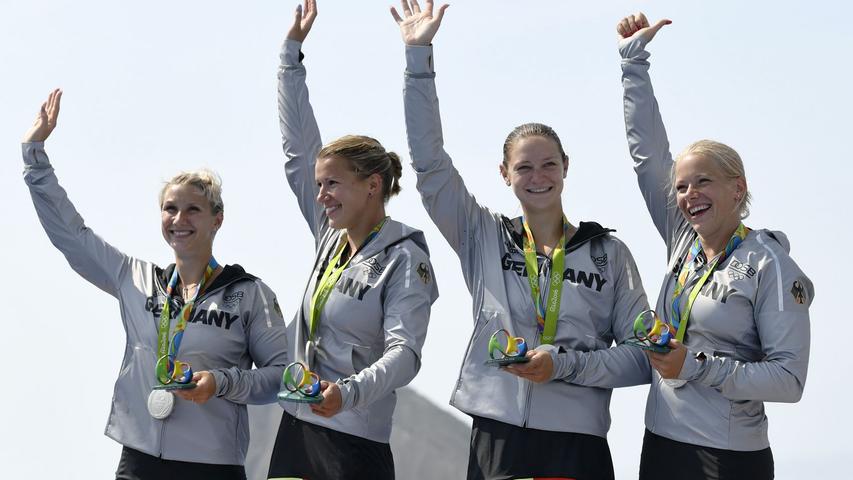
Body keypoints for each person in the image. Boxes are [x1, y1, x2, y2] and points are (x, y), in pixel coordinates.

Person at [393, 2, 652, 479]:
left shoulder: (608, 254)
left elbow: (643, 358)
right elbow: (430, 166)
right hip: (499, 436)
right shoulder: (483, 235)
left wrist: (564, 366)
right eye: (524, 167)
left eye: (549, 164)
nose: (538, 177)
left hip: (577, 444)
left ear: (566, 168)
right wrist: (418, 57)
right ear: (504, 174)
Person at [21, 89, 289, 480]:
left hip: (212, 466)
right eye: (170, 208)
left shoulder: (250, 294)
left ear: (217, 220)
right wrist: (34, 156)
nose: (179, 218)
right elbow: (71, 234)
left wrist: (221, 383)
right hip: (140, 461)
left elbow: (280, 377)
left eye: (193, 209)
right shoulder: (135, 278)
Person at [617, 12, 813, 480]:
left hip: (728, 458)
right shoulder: (683, 238)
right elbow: (647, 153)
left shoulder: (771, 265)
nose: (689, 196)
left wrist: (698, 366)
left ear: (737, 189)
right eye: (682, 187)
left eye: (703, 182)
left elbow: (789, 381)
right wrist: (632, 63)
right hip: (661, 443)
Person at [266, 2, 438, 479]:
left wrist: (349, 393)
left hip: (354, 443)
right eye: (319, 185)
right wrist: (289, 59)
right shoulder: (329, 234)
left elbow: (405, 355)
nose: (320, 195)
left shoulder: (405, 257)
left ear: (372, 185)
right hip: (297, 429)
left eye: (332, 184)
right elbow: (298, 148)